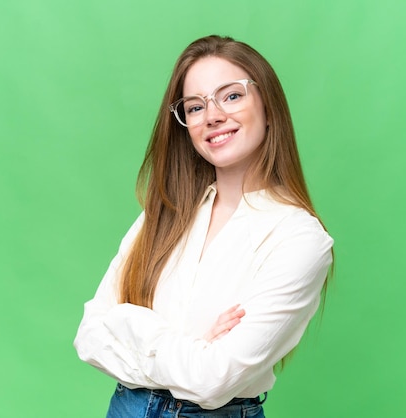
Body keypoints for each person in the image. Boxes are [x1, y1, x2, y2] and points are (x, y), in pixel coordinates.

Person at [74, 34, 334, 417]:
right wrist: (194, 344)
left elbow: (213, 380)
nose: (212, 115)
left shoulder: (300, 239)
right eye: (195, 107)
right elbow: (89, 336)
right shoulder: (165, 212)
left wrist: (130, 324)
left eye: (231, 96)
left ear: (269, 107)